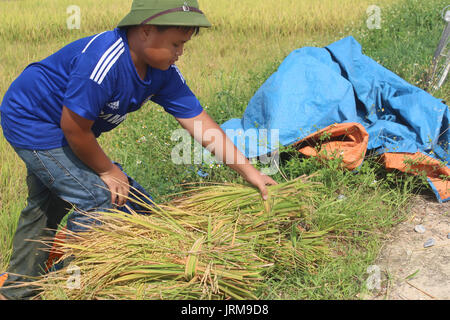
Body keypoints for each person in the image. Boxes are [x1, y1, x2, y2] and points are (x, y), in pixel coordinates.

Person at [0, 0, 277, 300]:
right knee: (97, 196)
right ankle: (77, 289)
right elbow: (73, 128)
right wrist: (107, 170)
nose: (180, 52)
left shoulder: (163, 72)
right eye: (175, 43)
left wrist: (252, 173)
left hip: (68, 128)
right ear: (145, 31)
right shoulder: (103, 62)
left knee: (50, 206)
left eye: (183, 44)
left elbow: (200, 124)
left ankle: (17, 291)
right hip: (34, 121)